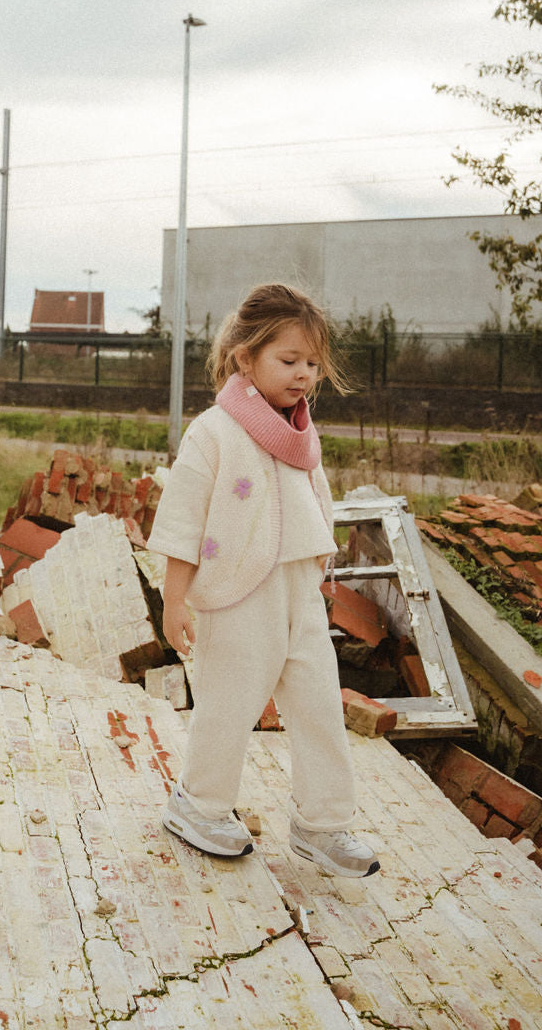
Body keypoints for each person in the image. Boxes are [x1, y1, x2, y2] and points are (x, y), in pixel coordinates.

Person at [148, 282, 379, 878]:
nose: (303, 374)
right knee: (229, 705)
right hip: (238, 594)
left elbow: (313, 506)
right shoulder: (214, 432)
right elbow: (181, 521)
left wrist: (321, 575)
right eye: (288, 360)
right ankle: (198, 805)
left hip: (299, 597)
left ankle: (322, 823)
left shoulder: (301, 435)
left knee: (320, 707)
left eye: (312, 364)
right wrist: (175, 600)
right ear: (245, 358)